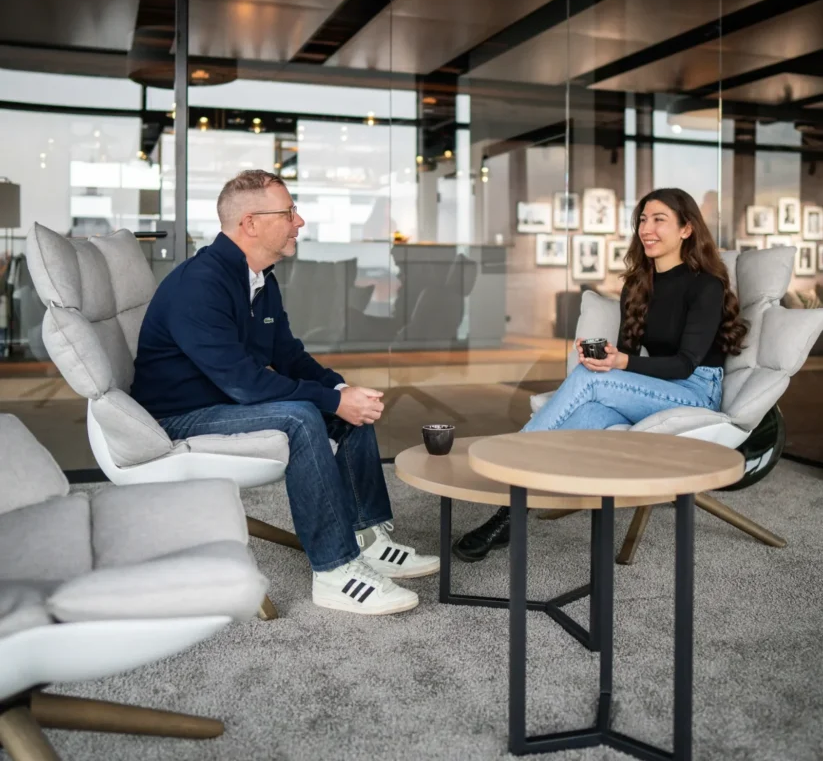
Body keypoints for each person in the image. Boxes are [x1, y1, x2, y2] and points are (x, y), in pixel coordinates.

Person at [131, 170, 439, 614]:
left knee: (344, 406)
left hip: (224, 401)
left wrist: (340, 389)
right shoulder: (200, 285)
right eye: (289, 211)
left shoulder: (260, 279)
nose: (300, 221)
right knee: (302, 417)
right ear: (250, 223)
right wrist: (332, 400)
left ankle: (366, 536)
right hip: (181, 415)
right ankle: (334, 571)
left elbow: (288, 355)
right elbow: (245, 382)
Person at [454, 187, 747, 562]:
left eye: (659, 220)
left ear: (686, 229)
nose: (647, 228)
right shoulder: (638, 284)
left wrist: (615, 366)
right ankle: (507, 518)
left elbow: (685, 363)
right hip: (651, 390)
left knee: (590, 380)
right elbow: (625, 353)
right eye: (642, 219)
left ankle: (509, 457)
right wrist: (603, 357)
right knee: (581, 417)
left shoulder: (705, 285)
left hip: (694, 388)